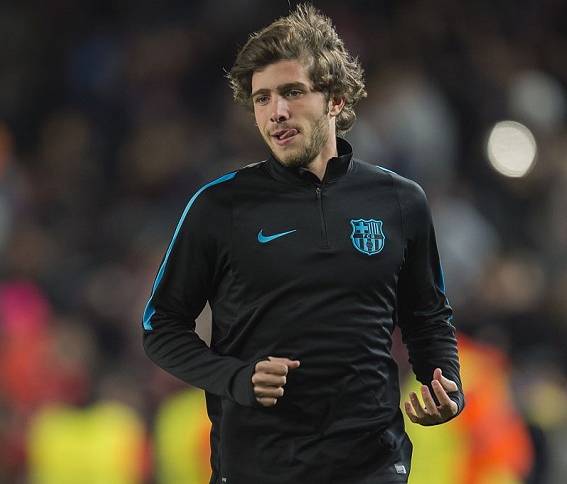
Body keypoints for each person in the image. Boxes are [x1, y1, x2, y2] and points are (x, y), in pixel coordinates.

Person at [142, 4, 465, 483]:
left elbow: (427, 316)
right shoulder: (218, 207)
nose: (277, 112)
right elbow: (161, 327)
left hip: (372, 464)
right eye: (262, 98)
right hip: (257, 467)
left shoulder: (400, 201)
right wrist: (235, 377)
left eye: (292, 92)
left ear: (335, 98)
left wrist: (447, 384)